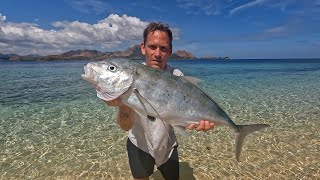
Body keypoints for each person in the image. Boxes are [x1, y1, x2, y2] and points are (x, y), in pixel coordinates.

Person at [105, 22, 214, 180]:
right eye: (152, 47)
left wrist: (200, 122)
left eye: (163, 48)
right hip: (139, 145)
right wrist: (123, 104)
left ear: (170, 51)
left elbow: (182, 116)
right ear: (143, 48)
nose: (157, 54)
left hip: (168, 146)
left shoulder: (177, 76)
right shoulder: (130, 76)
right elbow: (125, 127)